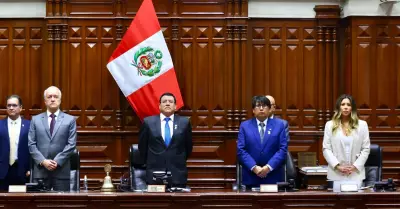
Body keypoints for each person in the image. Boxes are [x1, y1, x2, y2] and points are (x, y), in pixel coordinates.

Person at [138, 92, 192, 187]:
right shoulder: (148, 122)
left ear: (175, 106)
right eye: (164, 101)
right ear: (159, 106)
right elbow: (142, 148)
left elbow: (188, 147)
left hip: (177, 175)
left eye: (170, 102)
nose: (167, 103)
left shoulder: (184, 122)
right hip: (154, 175)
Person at [28, 86, 77, 191]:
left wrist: (57, 161)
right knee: (39, 205)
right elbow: (31, 144)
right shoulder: (35, 120)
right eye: (49, 97)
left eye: (56, 96)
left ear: (60, 99)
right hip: (41, 171)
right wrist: (43, 161)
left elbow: (71, 144)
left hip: (61, 170)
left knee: (62, 205)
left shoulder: (70, 120)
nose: (53, 99)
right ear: (45, 101)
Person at [237, 95, 288, 188]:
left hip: (273, 175)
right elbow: (241, 150)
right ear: (253, 110)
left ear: (269, 109)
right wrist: (254, 167)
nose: (261, 109)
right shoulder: (244, 126)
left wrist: (268, 167)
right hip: (251, 176)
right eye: (258, 106)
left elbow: (282, 149)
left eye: (264, 106)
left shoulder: (279, 125)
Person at [323, 94, 370, 185]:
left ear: (352, 108)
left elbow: (366, 149)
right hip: (336, 173)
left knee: (356, 199)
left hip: (355, 173)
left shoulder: (362, 125)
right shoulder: (330, 125)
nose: (345, 107)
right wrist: (337, 166)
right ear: (339, 107)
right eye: (343, 104)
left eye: (348, 105)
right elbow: (326, 148)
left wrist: (355, 166)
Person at [0, 95, 31, 191]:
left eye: (14, 105)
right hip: (2, 171)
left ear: (21, 108)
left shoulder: (29, 125)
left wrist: (30, 168)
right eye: (8, 105)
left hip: (23, 171)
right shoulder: (0, 124)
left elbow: (33, 147)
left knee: (22, 202)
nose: (11, 108)